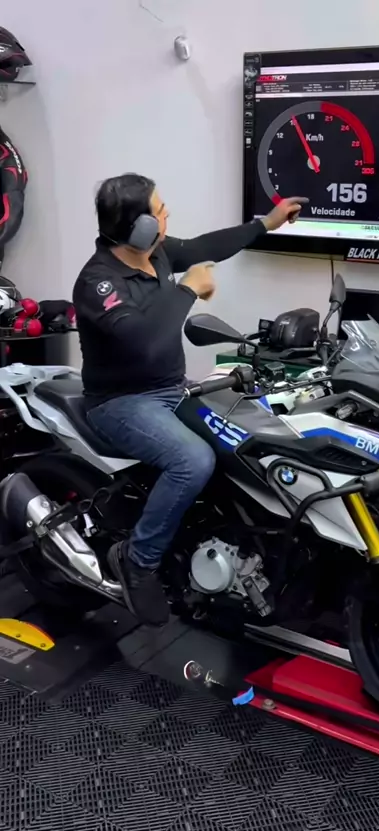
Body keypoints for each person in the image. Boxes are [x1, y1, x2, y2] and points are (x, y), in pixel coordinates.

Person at [73, 172, 305, 626]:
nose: (167, 215)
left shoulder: (155, 253)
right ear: (139, 226)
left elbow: (204, 247)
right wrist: (188, 290)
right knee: (192, 461)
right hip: (120, 402)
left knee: (247, 438)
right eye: (159, 211)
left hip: (172, 389)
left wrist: (266, 223)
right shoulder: (99, 282)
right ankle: (138, 561)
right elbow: (142, 341)